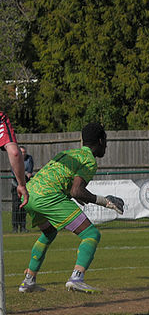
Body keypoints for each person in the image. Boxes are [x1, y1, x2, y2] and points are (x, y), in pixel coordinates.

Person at [18, 123, 125, 293]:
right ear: (100, 140)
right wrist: (106, 202)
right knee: (91, 234)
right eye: (106, 141)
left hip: (29, 194)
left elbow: (63, 182)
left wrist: (74, 194)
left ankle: (28, 280)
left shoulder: (68, 153)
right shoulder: (89, 160)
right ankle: (77, 277)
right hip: (48, 197)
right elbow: (77, 191)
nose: (106, 145)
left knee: (49, 233)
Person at [11, 145, 35, 232]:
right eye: (22, 153)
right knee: (16, 207)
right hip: (16, 186)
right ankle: (15, 227)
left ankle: (23, 227)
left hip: (26, 185)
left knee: (24, 206)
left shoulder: (29, 159)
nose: (23, 154)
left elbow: (30, 169)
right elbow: (14, 171)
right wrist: (24, 174)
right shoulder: (15, 159)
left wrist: (29, 173)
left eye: (24, 152)